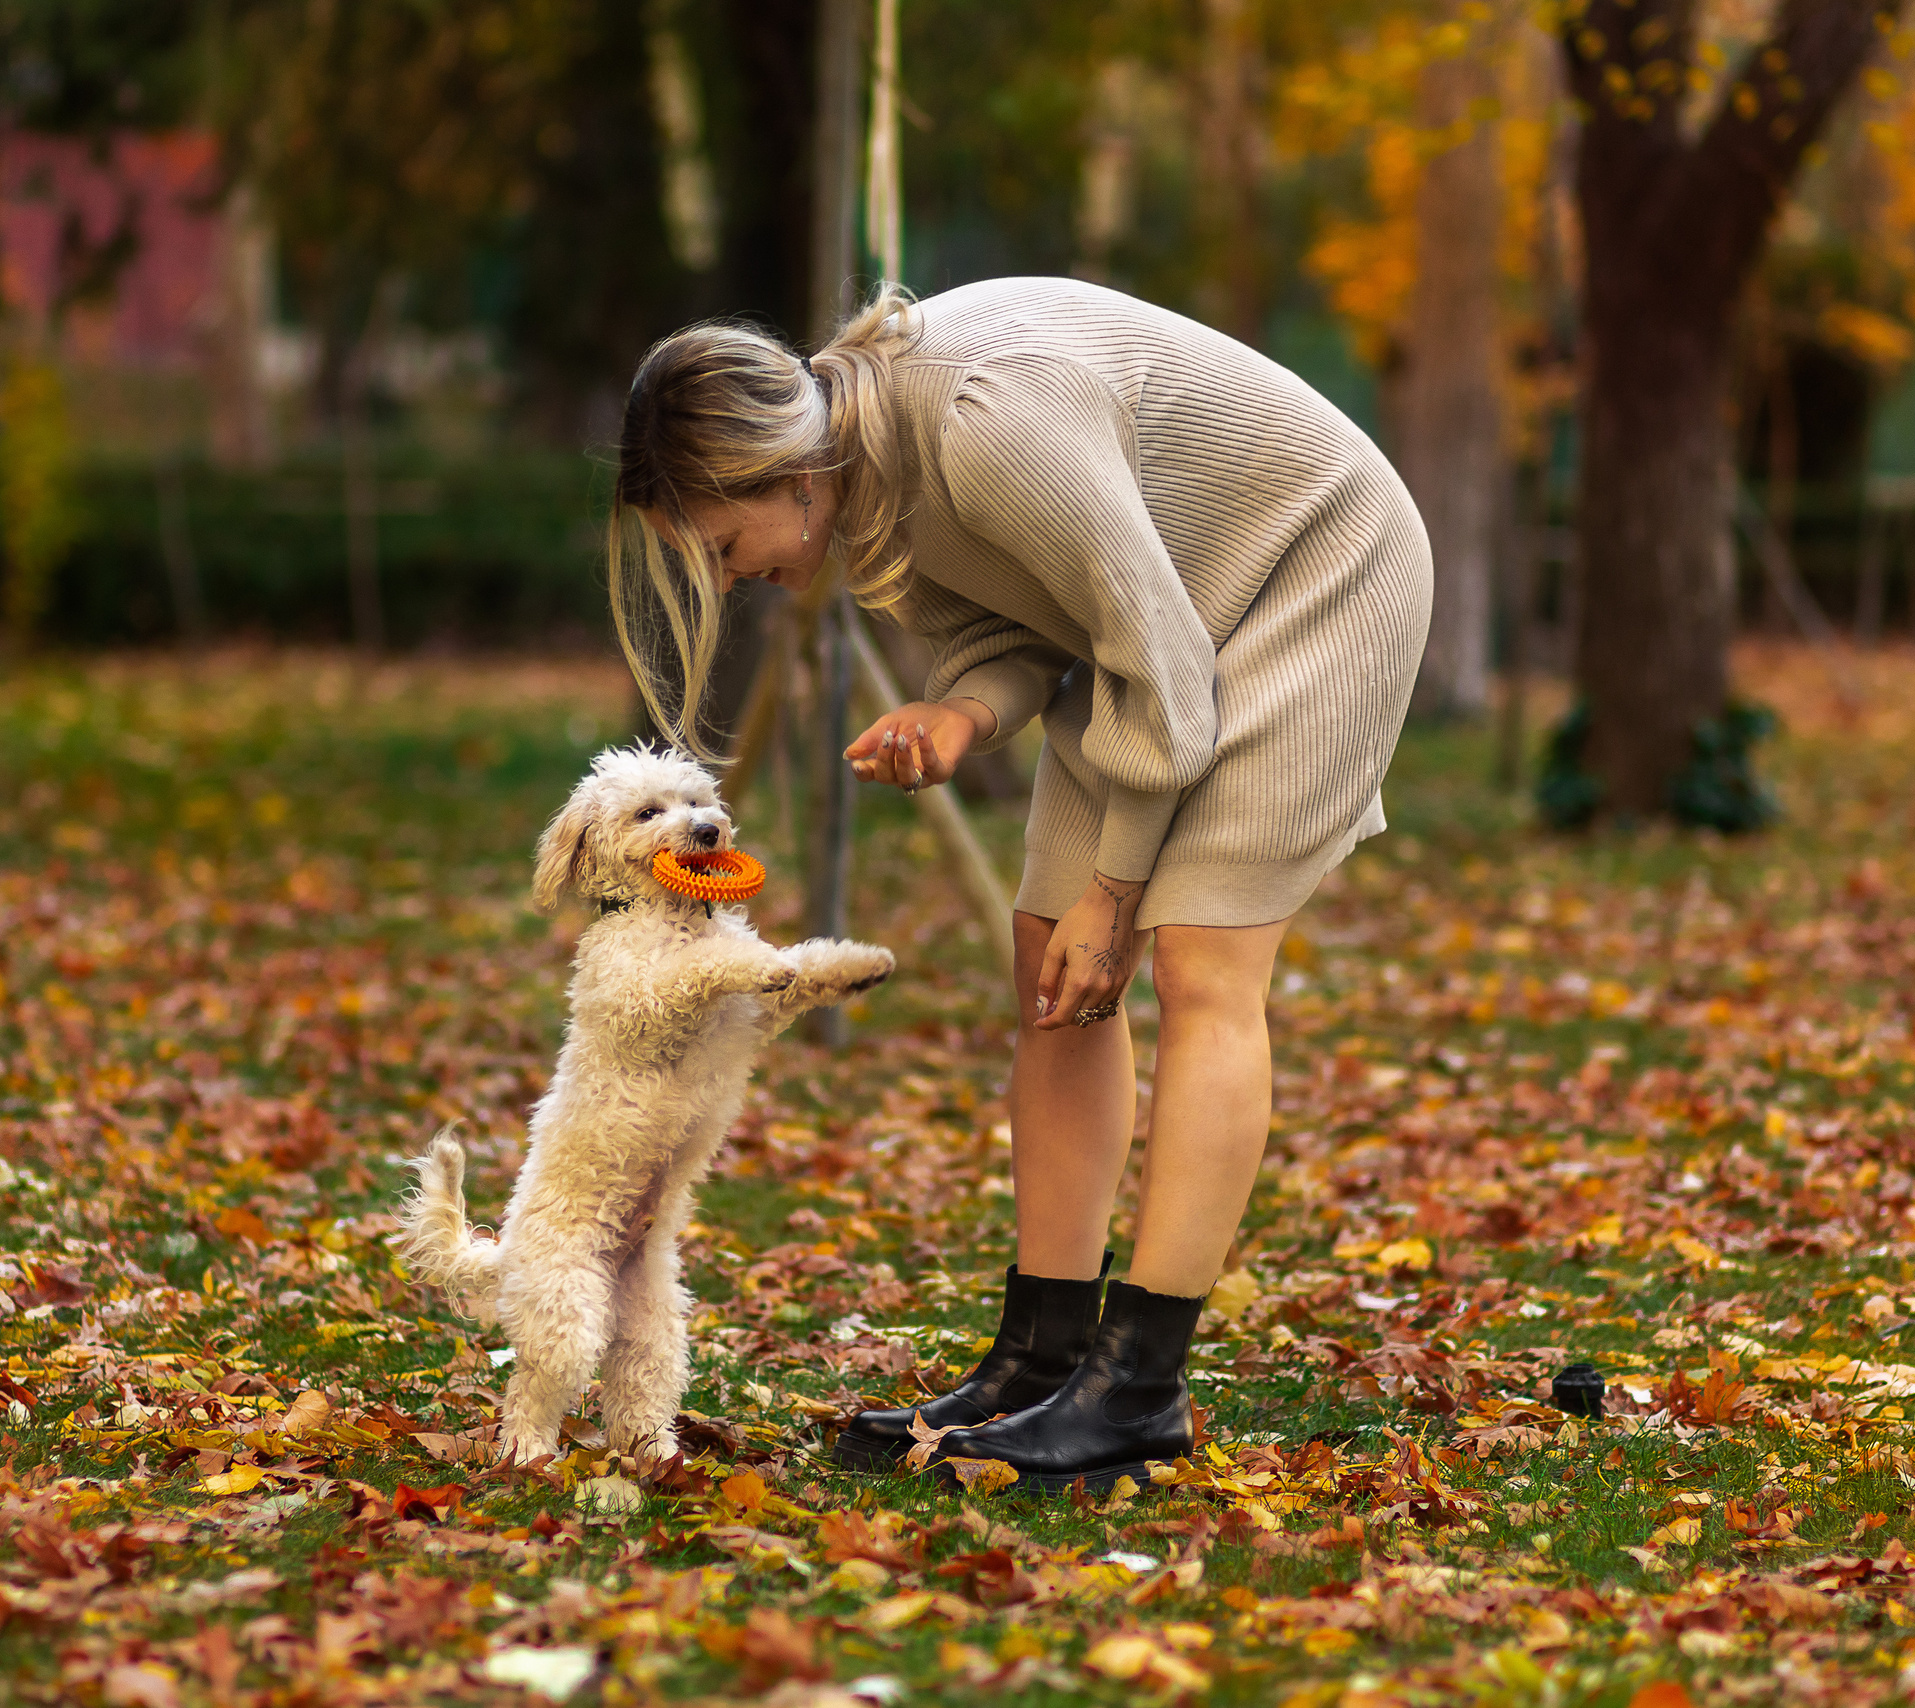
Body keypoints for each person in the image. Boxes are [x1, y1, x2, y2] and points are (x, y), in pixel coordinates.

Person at [608, 276, 1429, 1491]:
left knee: (1201, 963)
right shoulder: (868, 485)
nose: (726, 583)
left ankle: (1138, 1386)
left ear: (785, 472)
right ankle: (1042, 1360)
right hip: (1166, 637)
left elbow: (1158, 657)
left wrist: (1120, 890)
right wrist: (954, 716)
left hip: (1316, 574)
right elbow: (1029, 638)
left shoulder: (982, 420)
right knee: (1050, 964)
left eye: (722, 550)